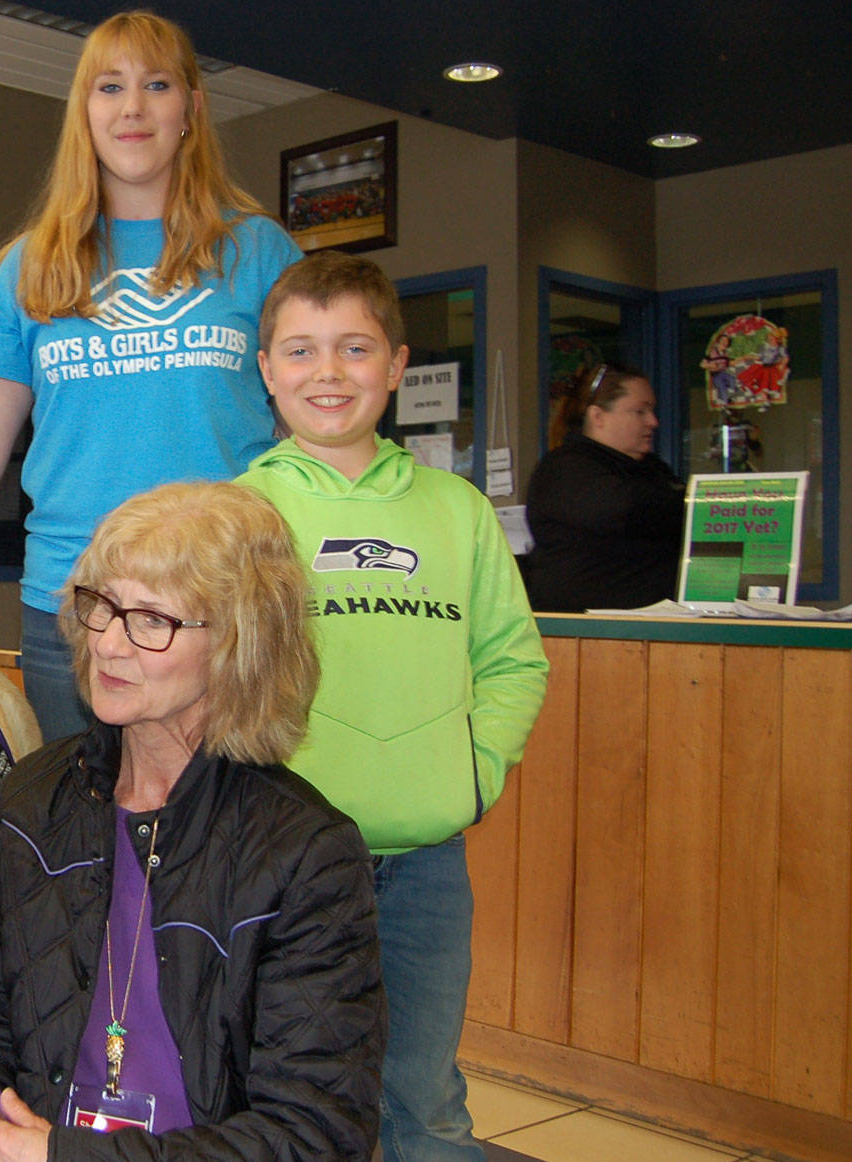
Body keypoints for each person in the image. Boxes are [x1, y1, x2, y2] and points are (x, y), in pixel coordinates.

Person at [0, 10, 300, 742]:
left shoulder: (258, 252)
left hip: (220, 606)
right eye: (109, 87)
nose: (132, 108)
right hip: (73, 609)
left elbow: (304, 437)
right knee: (83, 849)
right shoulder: (33, 265)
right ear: (83, 114)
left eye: (157, 85)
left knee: (221, 849)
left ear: (190, 107)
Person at [0, 481, 384, 1162]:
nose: (108, 644)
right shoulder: (28, 805)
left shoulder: (308, 854)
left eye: (152, 620)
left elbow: (315, 1135)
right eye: (102, 606)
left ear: (238, 643)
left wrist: (69, 1158)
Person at [238, 251, 548, 1162]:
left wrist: (473, 775)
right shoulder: (237, 512)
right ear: (265, 371)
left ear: (398, 366)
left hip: (425, 870)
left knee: (424, 1106)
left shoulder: (458, 511)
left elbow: (512, 664)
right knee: (279, 1098)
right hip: (281, 869)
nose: (327, 374)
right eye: (299, 351)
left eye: (354, 349)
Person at [523, 364, 684, 611]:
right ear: (598, 416)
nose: (653, 421)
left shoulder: (653, 469)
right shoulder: (566, 469)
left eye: (652, 410)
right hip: (587, 633)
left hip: (661, 627)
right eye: (640, 411)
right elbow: (628, 510)